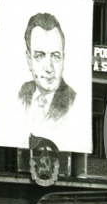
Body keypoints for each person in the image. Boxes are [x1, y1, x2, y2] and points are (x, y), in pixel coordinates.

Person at [17, 12, 78, 140]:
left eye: (55, 56)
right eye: (40, 56)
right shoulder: (21, 95)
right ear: (29, 59)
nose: (49, 68)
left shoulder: (74, 103)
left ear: (63, 59)